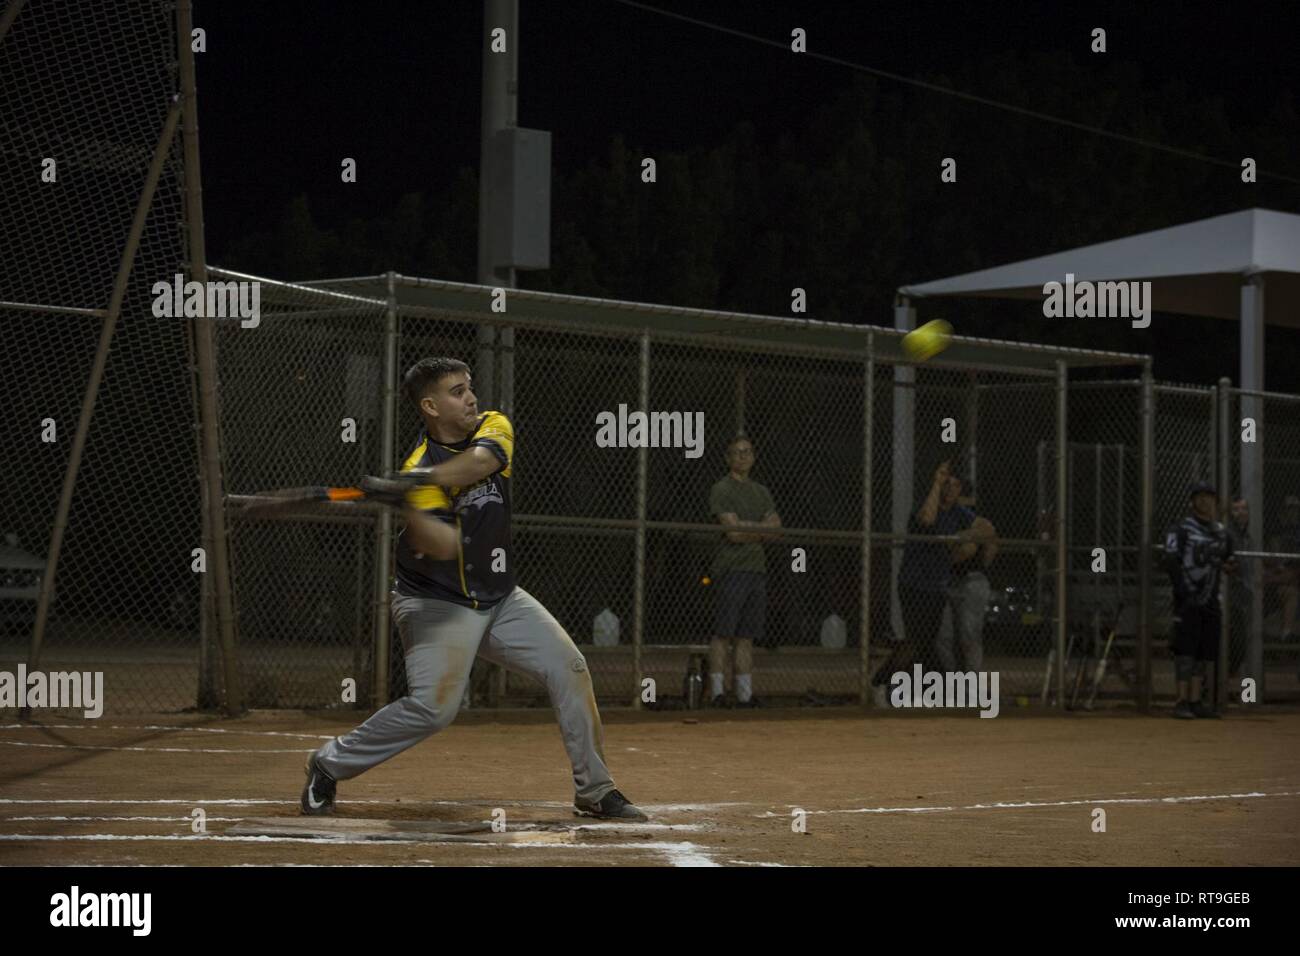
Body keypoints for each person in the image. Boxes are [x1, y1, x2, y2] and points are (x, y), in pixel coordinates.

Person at [300, 357, 647, 821]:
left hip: (500, 597)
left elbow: (481, 463)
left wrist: (419, 483)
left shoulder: (492, 427)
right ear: (430, 406)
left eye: (469, 388)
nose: (470, 398)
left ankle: (594, 791)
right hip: (435, 604)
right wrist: (414, 503)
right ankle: (328, 763)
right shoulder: (417, 467)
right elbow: (443, 547)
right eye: (457, 392)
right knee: (434, 710)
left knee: (570, 667)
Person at [872, 461, 983, 702]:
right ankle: (881, 683)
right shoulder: (926, 506)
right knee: (915, 640)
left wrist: (966, 541)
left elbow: (985, 528)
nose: (951, 490)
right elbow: (927, 520)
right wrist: (936, 483)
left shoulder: (959, 513)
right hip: (914, 584)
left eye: (955, 486)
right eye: (947, 485)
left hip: (936, 587)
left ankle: (899, 686)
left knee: (924, 643)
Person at [707, 435, 782, 708]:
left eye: (747, 452)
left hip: (755, 569)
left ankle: (744, 694)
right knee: (723, 633)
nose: (743, 457)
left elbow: (776, 529)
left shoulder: (761, 491)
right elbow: (733, 533)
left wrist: (749, 528)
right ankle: (716, 692)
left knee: (746, 636)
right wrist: (759, 529)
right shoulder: (722, 488)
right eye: (737, 453)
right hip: (731, 568)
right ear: (728, 458)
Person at [1162, 481, 1237, 719]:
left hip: (1211, 598)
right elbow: (1171, 560)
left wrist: (1228, 565)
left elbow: (1229, 559)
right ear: (1192, 501)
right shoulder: (1181, 528)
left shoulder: (1221, 531)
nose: (1205, 501)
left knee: (1205, 652)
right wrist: (1182, 590)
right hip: (1188, 598)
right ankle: (1181, 700)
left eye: (1209, 497)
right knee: (1185, 650)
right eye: (1200, 497)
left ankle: (1196, 700)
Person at [936, 484, 997, 673]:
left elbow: (985, 541)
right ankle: (952, 680)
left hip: (971, 579)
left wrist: (960, 538)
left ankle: (970, 682)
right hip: (944, 579)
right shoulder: (941, 514)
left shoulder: (970, 517)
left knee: (969, 634)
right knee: (943, 635)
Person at [1264, 494, 1300, 642]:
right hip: (1281, 577)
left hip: (1293, 575)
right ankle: (1286, 634)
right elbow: (1272, 560)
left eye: (1296, 509)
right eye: (1290, 509)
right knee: (1288, 589)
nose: (1294, 512)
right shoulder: (1275, 531)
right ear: (1282, 511)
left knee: (1290, 588)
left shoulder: (1297, 531)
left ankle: (1286, 634)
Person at [1225, 496, 1254, 677]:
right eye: (1236, 509)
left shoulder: (1247, 536)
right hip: (1231, 593)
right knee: (1236, 645)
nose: (1241, 513)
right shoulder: (1229, 533)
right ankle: (1211, 686)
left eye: (1244, 509)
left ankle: (1247, 695)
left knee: (1243, 647)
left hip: (1244, 593)